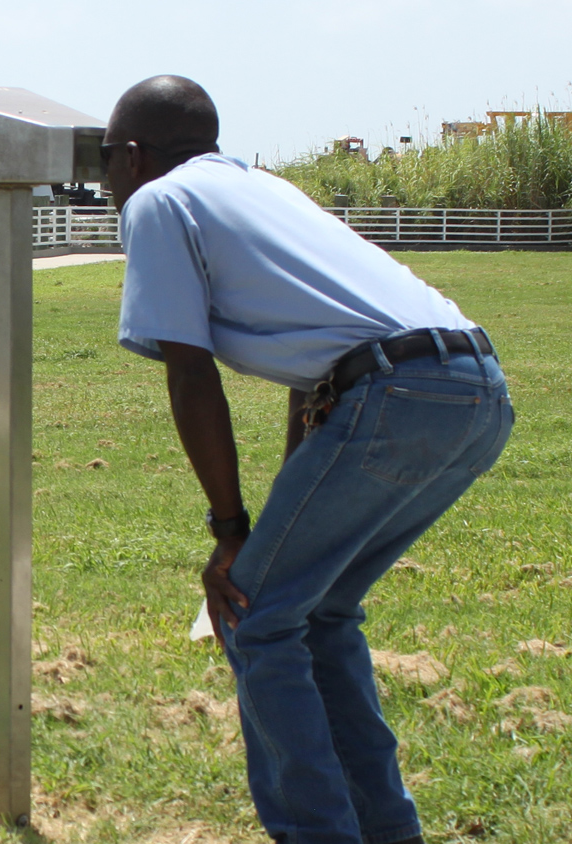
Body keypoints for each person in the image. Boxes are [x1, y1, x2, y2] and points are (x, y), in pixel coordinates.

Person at [103, 76, 514, 844]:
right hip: (475, 390)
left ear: (133, 155)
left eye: (104, 160)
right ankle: (386, 832)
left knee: (253, 618)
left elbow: (191, 374)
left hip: (396, 393)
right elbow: (317, 367)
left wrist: (230, 530)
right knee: (316, 612)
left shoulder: (157, 202)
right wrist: (274, 522)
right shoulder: (265, 190)